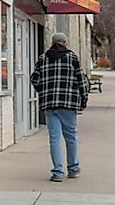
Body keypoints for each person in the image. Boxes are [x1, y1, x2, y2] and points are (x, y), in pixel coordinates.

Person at [30, 32, 90, 182]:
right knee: (71, 136)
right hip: (68, 103)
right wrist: (84, 99)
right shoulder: (72, 58)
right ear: (65, 42)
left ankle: (57, 171)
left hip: (50, 104)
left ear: (53, 42)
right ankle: (73, 168)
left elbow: (34, 79)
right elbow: (81, 80)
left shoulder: (43, 59)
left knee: (54, 138)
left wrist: (44, 91)